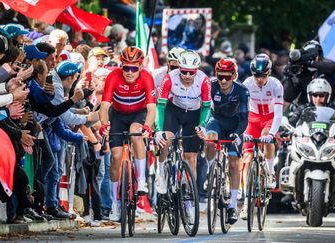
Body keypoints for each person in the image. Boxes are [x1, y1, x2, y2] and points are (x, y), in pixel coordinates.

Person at [98, 46, 156, 221]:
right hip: (118, 115)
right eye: (126, 68)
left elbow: (152, 109)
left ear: (140, 67)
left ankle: (142, 180)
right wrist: (104, 124)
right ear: (121, 66)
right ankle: (115, 203)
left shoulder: (147, 77)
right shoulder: (113, 76)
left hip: (139, 114)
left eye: (134, 68)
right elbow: (105, 106)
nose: (130, 72)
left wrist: (147, 126)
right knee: (115, 157)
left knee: (135, 133)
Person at [197, 58, 249, 225]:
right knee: (210, 138)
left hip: (235, 124)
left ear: (234, 75)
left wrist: (238, 133)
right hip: (216, 121)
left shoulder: (242, 91)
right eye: (220, 77)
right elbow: (204, 108)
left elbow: (244, 118)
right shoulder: (211, 86)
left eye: (228, 77)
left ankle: (233, 205)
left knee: (234, 164)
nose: (224, 81)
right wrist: (202, 126)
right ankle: (211, 170)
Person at [155, 50, 211, 188]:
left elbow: (206, 107)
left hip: (194, 114)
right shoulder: (169, 78)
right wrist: (158, 130)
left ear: (197, 70)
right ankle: (160, 171)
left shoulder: (204, 80)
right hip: (173, 111)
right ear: (179, 68)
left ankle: (189, 197)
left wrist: (202, 124)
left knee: (191, 157)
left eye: (191, 72)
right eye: (184, 71)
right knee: (165, 140)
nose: (187, 75)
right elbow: (160, 106)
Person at [240, 53, 284, 219]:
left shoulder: (276, 85)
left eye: (263, 76)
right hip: (252, 118)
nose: (259, 79)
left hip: (269, 119)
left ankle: (270, 171)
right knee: (247, 158)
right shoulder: (247, 84)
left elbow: (279, 114)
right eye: (256, 76)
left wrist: (272, 133)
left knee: (266, 137)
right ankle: (245, 202)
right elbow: (242, 112)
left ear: (269, 73)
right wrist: (242, 131)